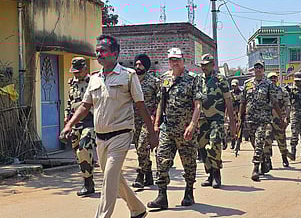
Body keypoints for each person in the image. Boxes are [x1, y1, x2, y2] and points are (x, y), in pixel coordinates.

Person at [61, 34, 158, 218]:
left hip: (121, 135)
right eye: (97, 51)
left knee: (108, 178)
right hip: (101, 138)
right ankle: (138, 209)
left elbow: (141, 105)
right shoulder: (95, 79)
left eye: (103, 51)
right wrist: (69, 125)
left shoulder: (128, 76)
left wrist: (152, 133)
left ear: (115, 53)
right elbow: (85, 105)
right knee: (114, 178)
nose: (99, 54)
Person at [148, 48, 202, 210]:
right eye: (171, 60)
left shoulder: (193, 79)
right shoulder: (164, 79)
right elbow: (160, 103)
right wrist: (156, 124)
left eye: (177, 59)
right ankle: (162, 195)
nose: (174, 63)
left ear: (183, 60)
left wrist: (193, 125)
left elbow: (198, 104)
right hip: (168, 128)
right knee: (161, 159)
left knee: (189, 162)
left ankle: (189, 192)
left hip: (186, 130)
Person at [239, 60, 284, 181]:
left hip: (263, 119)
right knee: (255, 142)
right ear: (253, 70)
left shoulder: (269, 84)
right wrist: (240, 117)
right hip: (250, 119)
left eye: (260, 68)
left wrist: (281, 117)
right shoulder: (247, 84)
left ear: (263, 70)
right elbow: (243, 102)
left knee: (259, 141)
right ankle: (263, 159)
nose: (258, 70)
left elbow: (274, 102)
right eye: (256, 68)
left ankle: (255, 168)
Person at [197, 54, 237, 189]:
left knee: (214, 145)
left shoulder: (220, 80)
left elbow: (228, 102)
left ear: (212, 65)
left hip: (217, 119)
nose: (203, 67)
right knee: (202, 147)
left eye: (206, 64)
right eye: (202, 65)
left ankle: (216, 174)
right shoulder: (198, 80)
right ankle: (209, 173)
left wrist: (232, 124)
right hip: (202, 119)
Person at [63, 57, 96, 196]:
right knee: (78, 154)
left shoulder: (93, 82)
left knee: (83, 148)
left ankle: (88, 183)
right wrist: (67, 116)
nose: (76, 75)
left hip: (90, 121)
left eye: (78, 72)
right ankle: (88, 181)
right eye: (74, 72)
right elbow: (70, 102)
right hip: (76, 123)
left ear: (85, 69)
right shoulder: (73, 84)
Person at [131, 54, 160, 189]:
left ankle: (141, 175)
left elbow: (160, 101)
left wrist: (155, 117)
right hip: (133, 119)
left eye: (140, 64)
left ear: (146, 66)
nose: (138, 67)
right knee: (139, 148)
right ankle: (148, 174)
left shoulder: (154, 81)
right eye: (136, 64)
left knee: (142, 145)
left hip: (148, 119)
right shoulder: (131, 80)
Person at [265, 72, 291, 167]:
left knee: (281, 139)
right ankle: (268, 160)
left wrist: (286, 117)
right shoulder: (264, 91)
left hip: (279, 120)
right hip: (267, 119)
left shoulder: (282, 91)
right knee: (267, 139)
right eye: (270, 78)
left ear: (277, 79)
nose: (273, 79)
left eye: (274, 78)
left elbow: (287, 105)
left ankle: (284, 157)